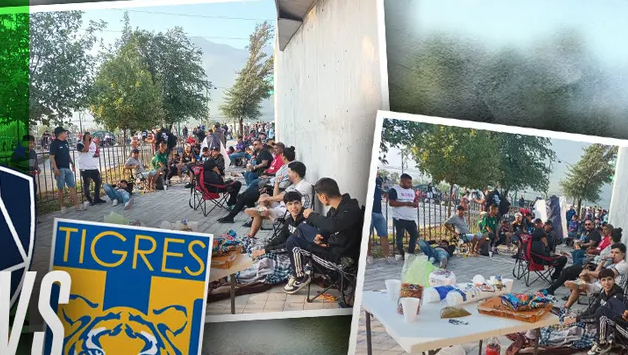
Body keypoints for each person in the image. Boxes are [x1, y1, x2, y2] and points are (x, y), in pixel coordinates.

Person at [284, 178, 363, 295]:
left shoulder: (351, 210)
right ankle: (302, 266)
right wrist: (321, 236)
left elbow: (334, 225)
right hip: (332, 245)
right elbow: (328, 228)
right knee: (302, 228)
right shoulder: (336, 209)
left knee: (293, 242)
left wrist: (311, 215)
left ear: (323, 197)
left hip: (341, 260)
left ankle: (300, 277)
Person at [217, 146, 295, 224]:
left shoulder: (290, 168)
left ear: (284, 156)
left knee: (246, 196)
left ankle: (242, 218)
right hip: (269, 185)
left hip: (272, 189)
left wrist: (268, 184)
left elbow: (283, 184)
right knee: (246, 194)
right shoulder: (285, 165)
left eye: (281, 155)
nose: (280, 156)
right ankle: (238, 217)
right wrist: (269, 176)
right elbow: (277, 177)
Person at [562, 267, 628, 355]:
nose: (606, 283)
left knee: (598, 315)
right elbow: (592, 310)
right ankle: (603, 342)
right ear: (600, 282)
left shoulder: (618, 296)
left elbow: (598, 316)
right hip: (610, 325)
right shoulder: (603, 294)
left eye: (609, 279)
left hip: (622, 330)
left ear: (614, 280)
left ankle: (602, 345)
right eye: (603, 280)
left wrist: (577, 319)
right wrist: (576, 318)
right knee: (573, 323)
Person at [243, 161, 312, 238]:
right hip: (282, 207)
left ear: (295, 174)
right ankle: (264, 211)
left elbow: (284, 197)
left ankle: (252, 234)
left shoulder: (304, 186)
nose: (287, 174)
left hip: (289, 212)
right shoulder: (293, 186)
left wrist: (268, 198)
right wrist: (277, 183)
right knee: (263, 196)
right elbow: (276, 197)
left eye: (288, 172)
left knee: (254, 212)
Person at [563, 243, 628, 310]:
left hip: (608, 288)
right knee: (584, 275)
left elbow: (606, 274)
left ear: (622, 255)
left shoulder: (623, 265)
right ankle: (580, 283)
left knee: (578, 286)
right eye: (612, 252)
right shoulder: (612, 265)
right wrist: (602, 262)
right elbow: (598, 272)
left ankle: (566, 308)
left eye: (616, 253)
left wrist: (588, 272)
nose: (613, 255)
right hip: (601, 283)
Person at [49, 127, 83, 213]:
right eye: (65, 132)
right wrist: (55, 169)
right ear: (60, 134)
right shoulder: (54, 144)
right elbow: (52, 157)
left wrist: (72, 163)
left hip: (67, 168)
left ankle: (77, 205)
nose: (66, 134)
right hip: (59, 169)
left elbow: (67, 154)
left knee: (72, 186)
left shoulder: (65, 142)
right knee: (60, 188)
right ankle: (62, 206)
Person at [389, 173, 419, 259]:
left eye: (410, 182)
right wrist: (405, 203)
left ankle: (410, 253)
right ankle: (402, 253)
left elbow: (415, 201)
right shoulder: (394, 190)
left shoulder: (412, 191)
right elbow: (391, 203)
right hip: (399, 218)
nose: (410, 184)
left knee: (414, 235)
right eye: (408, 182)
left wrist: (415, 204)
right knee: (400, 237)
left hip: (410, 218)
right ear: (402, 181)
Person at [366, 174, 394, 264]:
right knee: (367, 236)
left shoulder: (378, 181)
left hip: (379, 212)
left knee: (384, 234)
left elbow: (384, 189)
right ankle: (369, 255)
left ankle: (387, 256)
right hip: (369, 212)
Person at [76, 132, 106, 206]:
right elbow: (86, 150)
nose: (89, 139)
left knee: (98, 182)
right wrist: (86, 140)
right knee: (87, 184)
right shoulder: (80, 144)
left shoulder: (93, 144)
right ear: (84, 138)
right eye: (87, 138)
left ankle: (96, 198)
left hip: (93, 168)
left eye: (90, 138)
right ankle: (90, 200)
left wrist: (96, 149)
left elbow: (96, 154)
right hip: (85, 168)